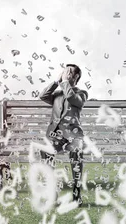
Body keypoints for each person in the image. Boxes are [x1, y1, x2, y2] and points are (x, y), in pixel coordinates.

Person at [38, 64, 88, 206]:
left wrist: (65, 83)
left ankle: (76, 193)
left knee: (77, 152)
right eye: (65, 70)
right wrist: (56, 82)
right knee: (45, 150)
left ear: (76, 76)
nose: (66, 73)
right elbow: (43, 96)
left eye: (69, 72)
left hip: (74, 136)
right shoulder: (57, 94)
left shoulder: (82, 93)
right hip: (56, 136)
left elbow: (72, 98)